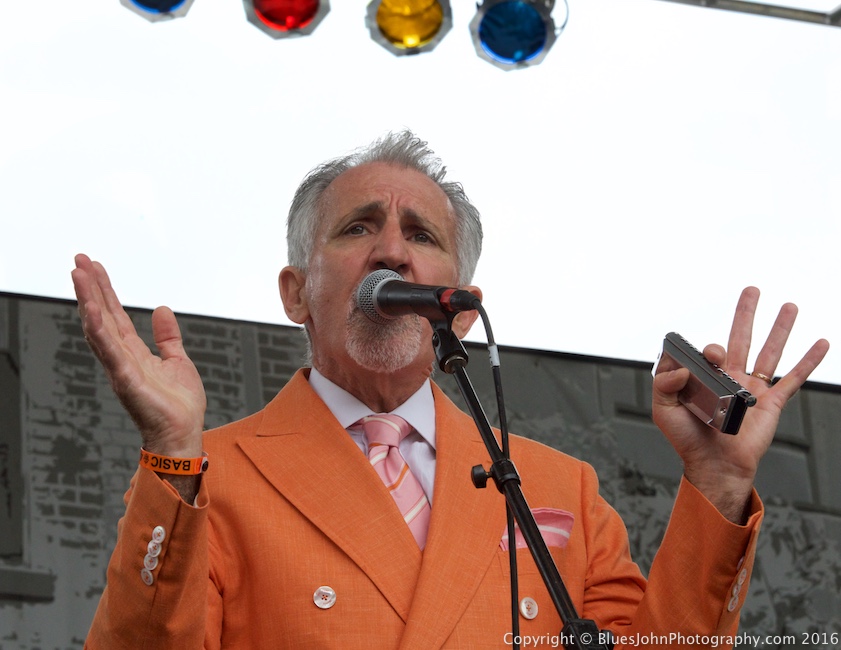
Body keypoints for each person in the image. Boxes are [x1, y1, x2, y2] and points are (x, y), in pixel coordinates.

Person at [73, 131, 829, 649]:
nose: (393, 251)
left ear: (461, 311)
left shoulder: (558, 486)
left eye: (423, 237)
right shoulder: (209, 478)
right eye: (359, 227)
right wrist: (173, 452)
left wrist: (717, 481)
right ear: (297, 293)